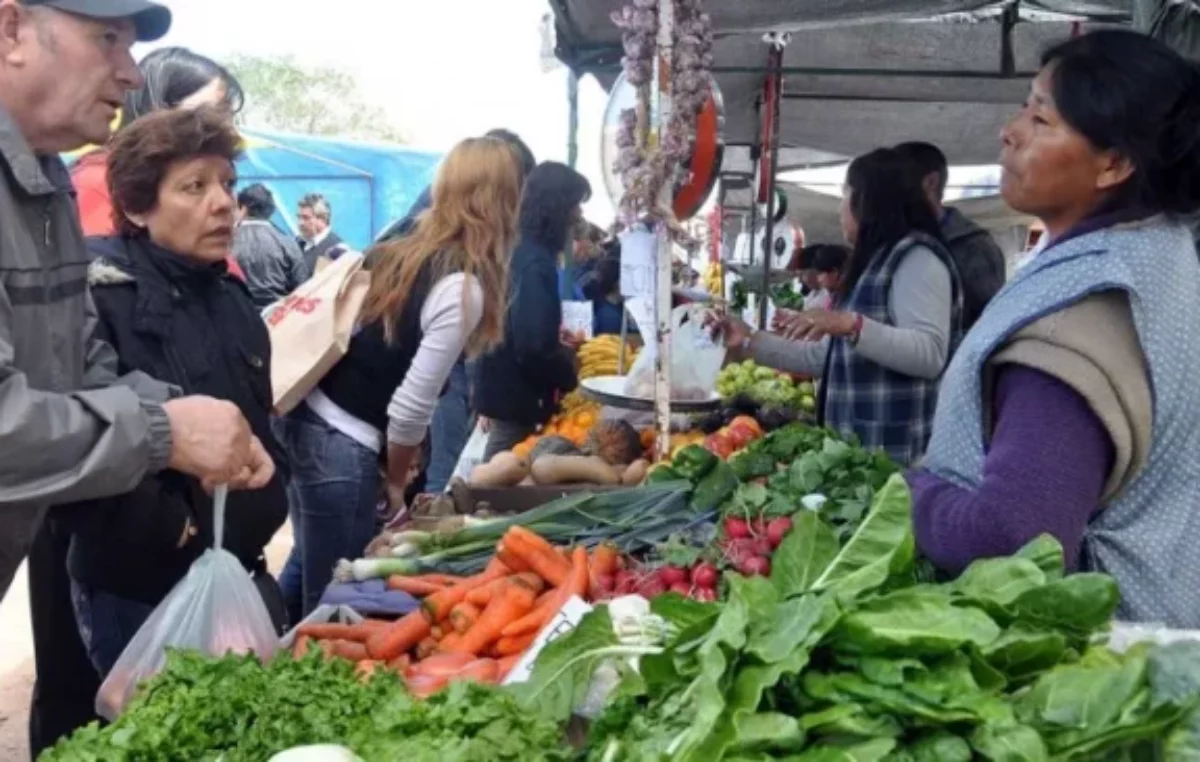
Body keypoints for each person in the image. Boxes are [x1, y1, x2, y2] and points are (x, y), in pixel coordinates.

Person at [0, 1, 274, 753]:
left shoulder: (43, 184)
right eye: (107, 39)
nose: (129, 71)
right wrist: (163, 433)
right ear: (12, 29)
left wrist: (189, 420)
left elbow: (80, 368)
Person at [911, 30, 1200, 628]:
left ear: (1114, 164)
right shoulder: (1163, 251)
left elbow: (1016, 543)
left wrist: (911, 495)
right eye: (1025, 106)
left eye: (1042, 120)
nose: (1010, 131)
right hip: (1159, 645)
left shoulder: (1082, 312)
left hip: (1084, 664)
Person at [62, 107, 291, 678]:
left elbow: (258, 425)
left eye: (228, 185)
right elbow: (77, 434)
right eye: (194, 186)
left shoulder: (235, 302)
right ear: (139, 205)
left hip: (236, 572)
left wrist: (266, 497)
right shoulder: (98, 297)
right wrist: (173, 529)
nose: (222, 203)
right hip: (140, 592)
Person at [277, 137, 521, 621]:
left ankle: (261, 658)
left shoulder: (397, 249)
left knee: (310, 564)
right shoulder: (461, 285)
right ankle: (293, 677)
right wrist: (394, 483)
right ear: (504, 200)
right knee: (335, 605)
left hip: (307, 417)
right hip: (342, 439)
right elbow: (410, 408)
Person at [713, 148, 961, 466]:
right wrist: (748, 341)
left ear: (870, 202)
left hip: (894, 463)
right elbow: (826, 357)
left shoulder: (916, 259)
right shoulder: (873, 264)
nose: (839, 209)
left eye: (845, 195)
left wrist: (850, 324)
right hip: (854, 460)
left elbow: (930, 354)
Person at [71, 45, 247, 280]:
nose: (228, 129)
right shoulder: (96, 182)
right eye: (212, 114)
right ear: (158, 109)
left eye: (228, 185)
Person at [476, 163, 590, 459]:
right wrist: (568, 375)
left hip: (506, 394)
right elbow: (533, 347)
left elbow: (521, 327)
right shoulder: (535, 263)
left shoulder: (519, 249)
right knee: (499, 480)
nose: (577, 215)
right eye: (575, 206)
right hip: (518, 402)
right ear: (557, 207)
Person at [894, 141, 1005, 330]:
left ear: (931, 182)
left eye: (897, 182)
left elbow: (990, 323)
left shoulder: (972, 247)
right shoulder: (896, 240)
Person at [234, 182, 311, 309]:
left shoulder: (226, 243)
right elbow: (303, 287)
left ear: (243, 209)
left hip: (240, 317)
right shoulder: (288, 243)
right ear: (270, 211)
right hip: (278, 320)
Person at [296, 192, 349, 270]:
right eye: (299, 217)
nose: (300, 223)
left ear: (322, 219)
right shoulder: (297, 243)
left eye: (306, 218)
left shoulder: (337, 249)